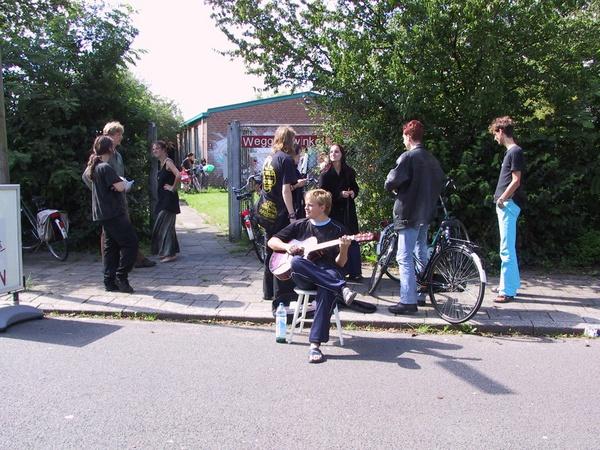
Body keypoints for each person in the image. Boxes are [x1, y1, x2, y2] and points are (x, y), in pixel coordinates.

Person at [268, 189, 357, 363]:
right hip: (305, 275)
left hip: (328, 272)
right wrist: (288, 248)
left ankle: (315, 345)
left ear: (323, 207)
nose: (306, 208)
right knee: (296, 262)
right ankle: (341, 287)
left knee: (327, 288)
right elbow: (272, 242)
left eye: (310, 205)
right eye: (306, 204)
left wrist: (344, 247)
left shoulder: (338, 229)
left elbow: (340, 264)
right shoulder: (300, 224)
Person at [384, 119, 444, 315]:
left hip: (409, 213)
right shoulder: (431, 159)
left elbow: (392, 181)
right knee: (420, 253)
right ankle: (420, 294)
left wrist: (392, 186)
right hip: (426, 214)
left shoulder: (408, 157)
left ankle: (408, 301)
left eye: (403, 137)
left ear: (408, 137)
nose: (403, 140)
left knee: (404, 257)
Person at [82, 121, 156, 268]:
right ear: (111, 135)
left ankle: (135, 258)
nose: (121, 137)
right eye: (119, 134)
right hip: (108, 205)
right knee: (108, 234)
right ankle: (110, 264)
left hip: (120, 199)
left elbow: (118, 177)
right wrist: (101, 192)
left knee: (125, 229)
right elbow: (86, 177)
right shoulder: (100, 157)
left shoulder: (118, 155)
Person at [87, 135, 138, 293]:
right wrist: (125, 183)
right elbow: (120, 187)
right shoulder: (105, 167)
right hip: (114, 212)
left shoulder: (95, 167)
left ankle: (109, 281)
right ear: (110, 148)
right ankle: (121, 276)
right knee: (131, 243)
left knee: (111, 248)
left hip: (103, 213)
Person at [258, 126, 300, 306]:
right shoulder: (286, 160)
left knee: (269, 250)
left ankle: (267, 291)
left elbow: (268, 186)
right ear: (289, 140)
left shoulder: (269, 159)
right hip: (280, 213)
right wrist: (292, 215)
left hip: (266, 210)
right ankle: (280, 293)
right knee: (281, 251)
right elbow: (284, 190)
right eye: (294, 139)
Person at [489, 116, 525, 303]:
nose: (495, 138)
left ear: (501, 131)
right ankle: (509, 283)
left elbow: (516, 180)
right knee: (507, 246)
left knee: (506, 249)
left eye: (495, 134)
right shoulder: (511, 152)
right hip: (506, 204)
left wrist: (503, 198)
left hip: (508, 204)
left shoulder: (515, 152)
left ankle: (507, 291)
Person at [318, 143, 362, 280]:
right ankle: (336, 271)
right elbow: (322, 193)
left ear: (342, 154)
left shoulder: (349, 171)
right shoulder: (325, 174)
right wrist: (339, 194)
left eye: (336, 152)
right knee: (335, 240)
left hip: (348, 210)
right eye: (331, 152)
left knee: (352, 238)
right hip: (333, 211)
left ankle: (355, 272)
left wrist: (353, 193)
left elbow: (355, 187)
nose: (333, 154)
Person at [151, 140, 181, 263]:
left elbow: (178, 175)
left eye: (157, 148)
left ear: (164, 150)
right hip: (163, 199)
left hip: (169, 200)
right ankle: (168, 252)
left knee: (165, 226)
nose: (155, 151)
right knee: (166, 226)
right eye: (153, 149)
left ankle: (170, 253)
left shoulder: (168, 162)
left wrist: (173, 187)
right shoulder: (161, 163)